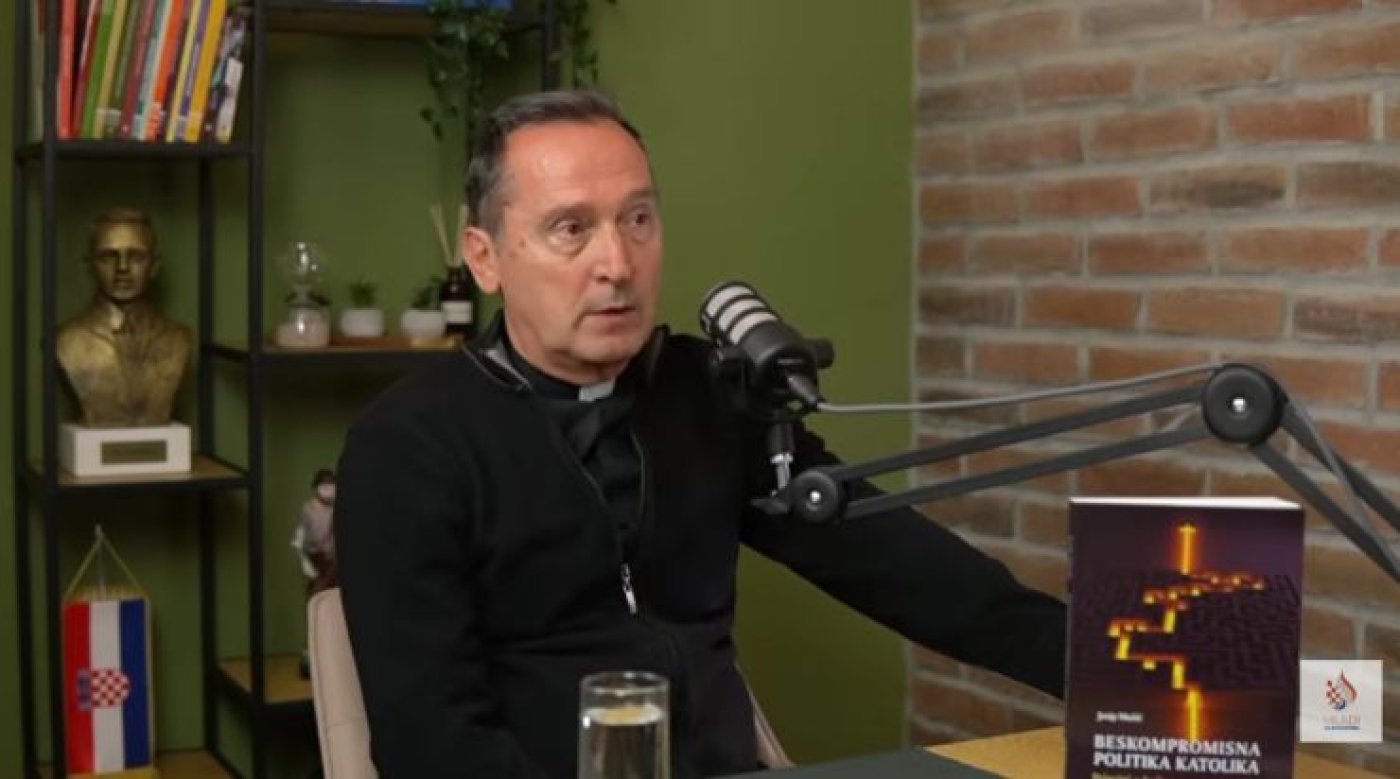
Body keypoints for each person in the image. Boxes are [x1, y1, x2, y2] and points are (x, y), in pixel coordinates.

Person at [334, 90, 1066, 779]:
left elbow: (892, 560)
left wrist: (1101, 663)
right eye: (571, 229)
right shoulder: (407, 444)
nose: (617, 264)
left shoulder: (710, 393)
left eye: (638, 220)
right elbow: (429, 738)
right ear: (485, 257)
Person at [56, 208, 191, 428]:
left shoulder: (179, 338)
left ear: (154, 266)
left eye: (136, 257)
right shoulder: (66, 339)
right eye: (108, 257)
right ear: (89, 266)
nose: (123, 268)